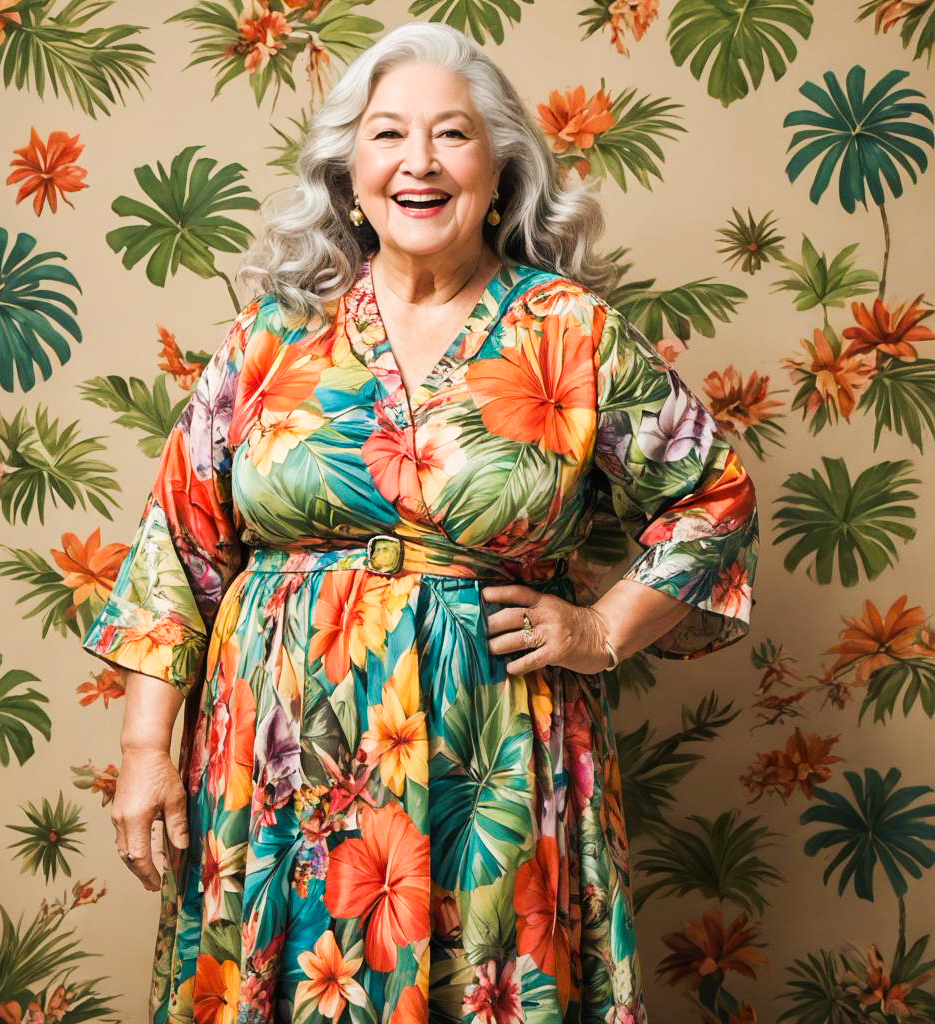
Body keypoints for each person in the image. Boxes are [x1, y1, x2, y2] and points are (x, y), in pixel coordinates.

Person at [82, 20, 759, 1024]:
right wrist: (146, 752)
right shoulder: (273, 334)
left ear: (500, 171)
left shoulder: (567, 329)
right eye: (388, 134)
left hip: (490, 753)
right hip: (275, 759)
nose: (420, 162)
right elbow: (176, 546)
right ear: (349, 171)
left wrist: (602, 627)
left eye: (452, 135)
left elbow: (713, 497)